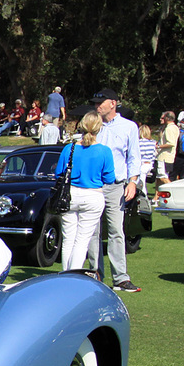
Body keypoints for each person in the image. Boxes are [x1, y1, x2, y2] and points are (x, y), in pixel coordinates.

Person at [90, 87, 143, 292]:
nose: (97, 106)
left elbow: (133, 157)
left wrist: (133, 182)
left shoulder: (128, 127)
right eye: (95, 103)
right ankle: (95, 273)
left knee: (116, 231)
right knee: (93, 231)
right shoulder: (92, 124)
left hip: (115, 185)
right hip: (93, 185)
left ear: (112, 103)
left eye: (100, 103)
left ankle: (120, 277)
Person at [55, 110, 117, 271]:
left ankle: (65, 273)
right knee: (82, 241)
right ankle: (74, 275)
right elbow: (110, 179)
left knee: (68, 239)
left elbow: (58, 173)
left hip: (70, 195)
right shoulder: (104, 151)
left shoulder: (70, 148)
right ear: (99, 128)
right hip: (93, 195)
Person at [155, 110, 179, 184]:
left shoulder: (169, 128)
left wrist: (158, 146)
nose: (161, 119)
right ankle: (157, 196)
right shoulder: (175, 127)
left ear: (167, 118)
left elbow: (171, 143)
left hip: (164, 157)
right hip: (168, 156)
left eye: (163, 117)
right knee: (159, 178)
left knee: (163, 176)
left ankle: (173, 191)